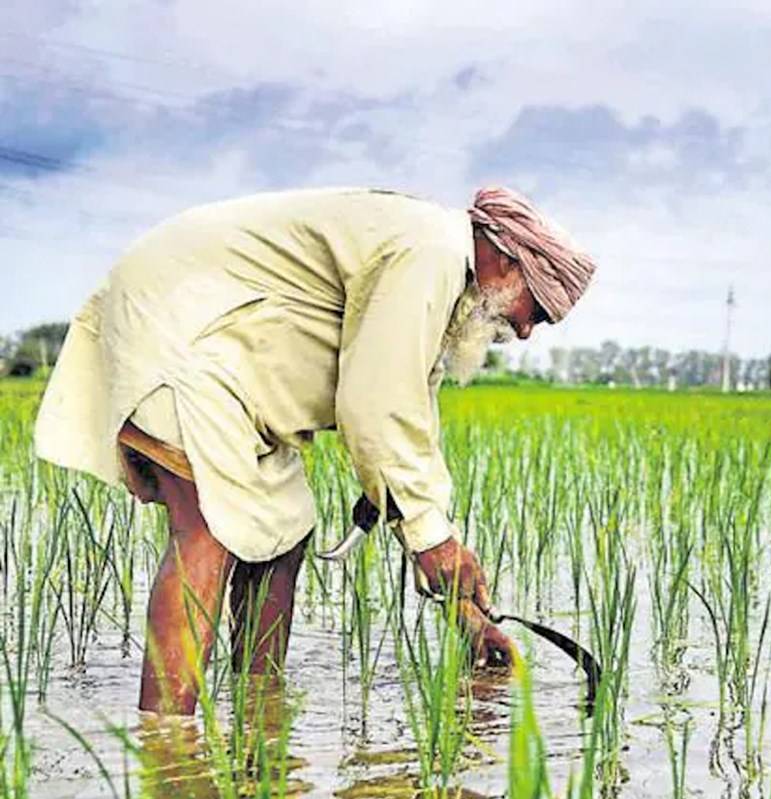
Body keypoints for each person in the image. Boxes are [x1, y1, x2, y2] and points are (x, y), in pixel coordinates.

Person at [33, 186, 596, 715]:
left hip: (234, 372)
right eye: (538, 311)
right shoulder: (430, 255)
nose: (524, 333)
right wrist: (434, 542)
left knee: (286, 531)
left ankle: (258, 711)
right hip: (182, 333)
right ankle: (168, 742)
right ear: (504, 262)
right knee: (207, 529)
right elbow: (376, 403)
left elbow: (409, 429)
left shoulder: (436, 275)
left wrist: (467, 613)